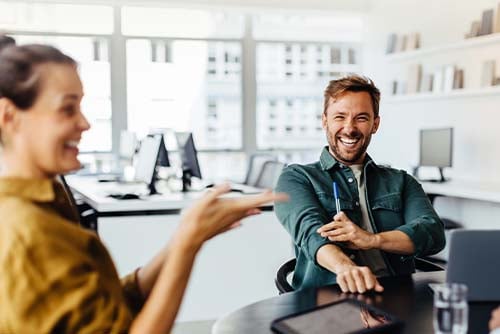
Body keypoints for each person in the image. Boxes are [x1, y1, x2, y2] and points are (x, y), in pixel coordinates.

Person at [0, 42, 287, 333]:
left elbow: (109, 304)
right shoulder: (29, 232)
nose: (84, 123)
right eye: (67, 108)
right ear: (9, 116)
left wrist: (185, 239)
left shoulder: (43, 207)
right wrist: (187, 244)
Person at [274, 75, 445, 293]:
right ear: (324, 121)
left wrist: (371, 240)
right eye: (340, 117)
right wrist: (346, 268)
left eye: (361, 118)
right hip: (329, 302)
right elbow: (310, 233)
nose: (349, 128)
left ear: (375, 124)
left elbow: (432, 233)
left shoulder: (402, 181)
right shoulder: (297, 177)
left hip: (396, 297)